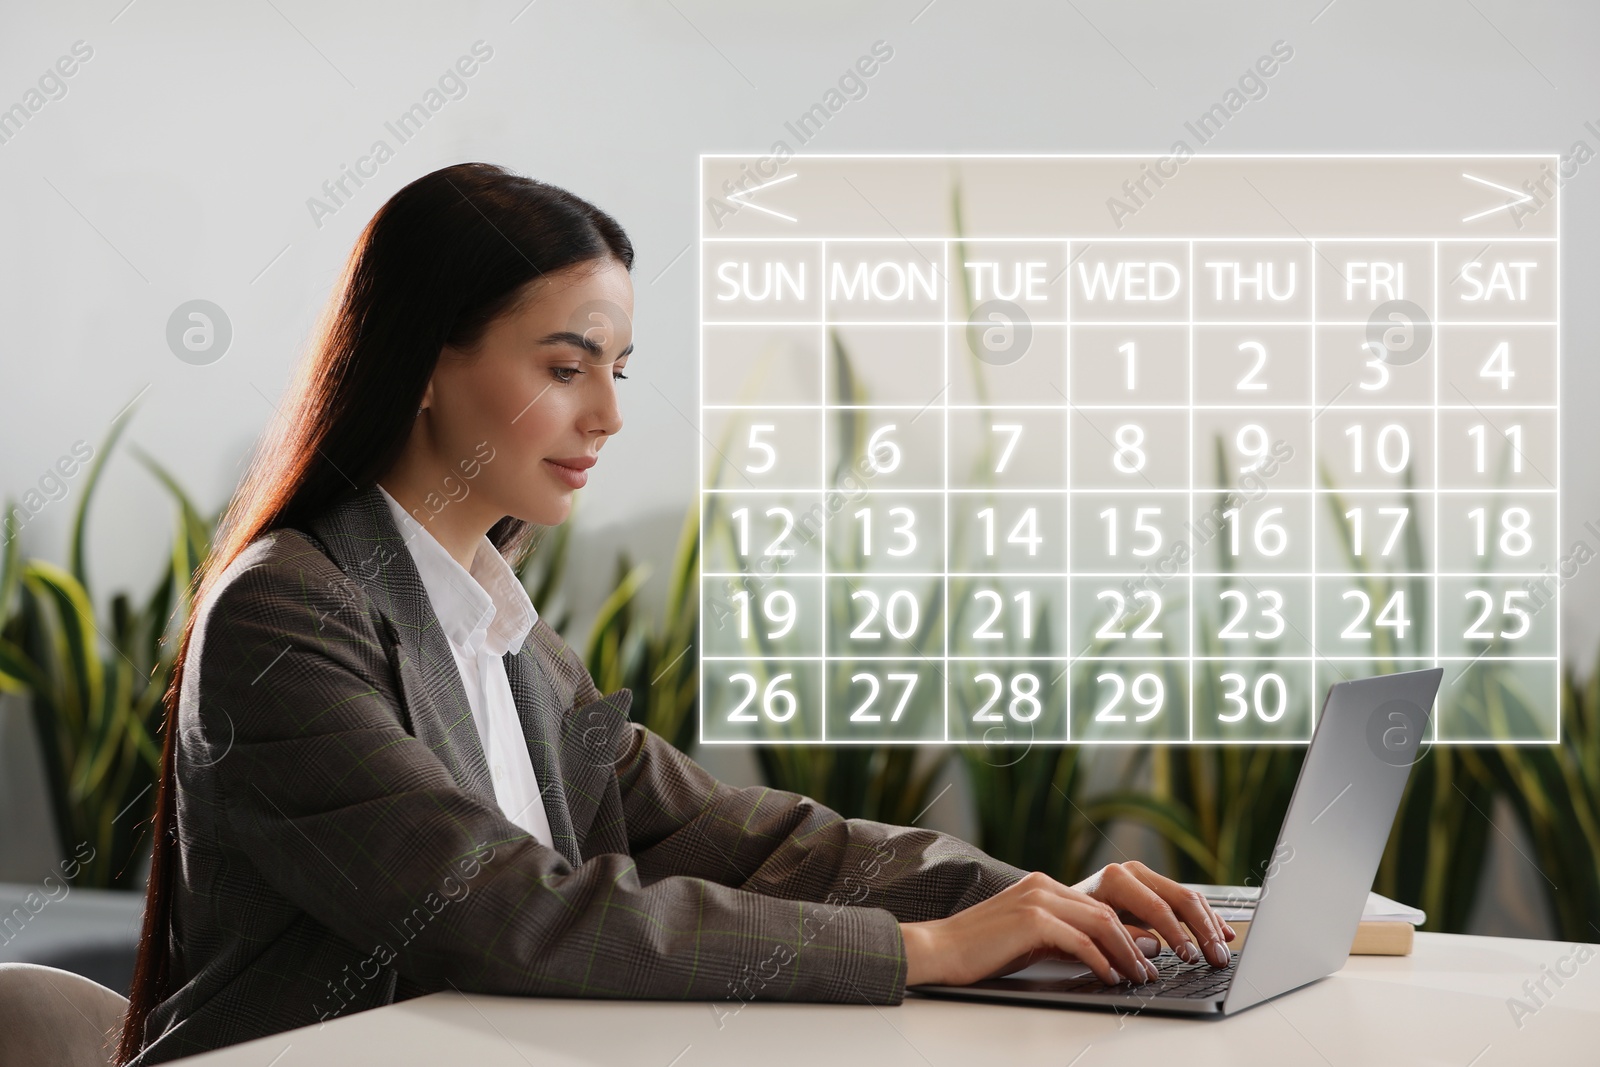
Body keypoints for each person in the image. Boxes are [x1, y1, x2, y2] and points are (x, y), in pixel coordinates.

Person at [115, 162, 1234, 1065]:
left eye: (619, 369)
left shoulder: (501, 633)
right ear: (423, 364)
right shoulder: (287, 613)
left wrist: (1035, 903)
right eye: (566, 366)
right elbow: (505, 909)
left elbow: (748, 840)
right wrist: (923, 948)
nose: (605, 413)